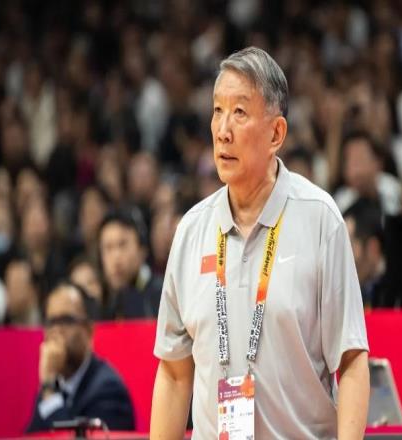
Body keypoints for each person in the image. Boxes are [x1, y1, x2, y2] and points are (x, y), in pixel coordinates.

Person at [151, 47, 369, 439]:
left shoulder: (320, 219)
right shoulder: (191, 230)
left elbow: (351, 360)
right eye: (217, 110)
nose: (223, 130)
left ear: (276, 133)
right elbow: (174, 373)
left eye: (239, 111)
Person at [26, 282, 135, 432]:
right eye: (51, 322)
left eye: (66, 320)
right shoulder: (52, 385)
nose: (56, 330)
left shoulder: (108, 390)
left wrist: (49, 391)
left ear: (89, 330)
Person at [98, 207, 163, 319]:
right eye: (108, 247)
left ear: (142, 249)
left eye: (122, 244)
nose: (116, 257)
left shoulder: (162, 295)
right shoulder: (101, 304)